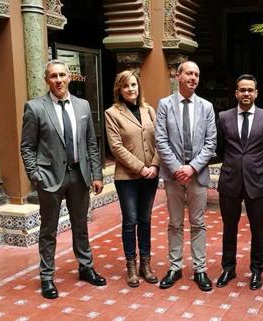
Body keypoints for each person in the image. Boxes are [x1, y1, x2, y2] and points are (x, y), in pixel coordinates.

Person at [20, 59, 105, 300]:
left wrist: (96, 174)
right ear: (46, 81)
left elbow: (91, 143)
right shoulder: (35, 108)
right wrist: (35, 176)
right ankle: (47, 277)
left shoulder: (83, 106)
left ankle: (85, 267)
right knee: (48, 230)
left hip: (79, 176)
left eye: (62, 75)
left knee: (81, 225)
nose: (58, 80)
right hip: (49, 179)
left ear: (70, 78)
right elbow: (27, 146)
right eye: (53, 76)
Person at [154, 61, 217, 292]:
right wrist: (177, 168)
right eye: (189, 73)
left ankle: (200, 269)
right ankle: (175, 267)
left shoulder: (206, 107)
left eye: (197, 74)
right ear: (178, 76)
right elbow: (160, 140)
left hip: (197, 175)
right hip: (173, 177)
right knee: (175, 223)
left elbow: (211, 143)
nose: (193, 78)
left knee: (199, 223)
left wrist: (191, 168)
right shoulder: (164, 105)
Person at [215, 74, 263, 290]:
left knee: (258, 228)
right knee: (229, 227)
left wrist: (255, 166)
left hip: (257, 181)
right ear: (236, 93)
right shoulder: (223, 117)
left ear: (256, 93)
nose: (246, 94)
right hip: (230, 180)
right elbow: (220, 148)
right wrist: (236, 165)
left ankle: (257, 270)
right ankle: (228, 268)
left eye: (250, 90)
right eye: (242, 90)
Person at [104, 70, 160, 288]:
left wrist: (154, 165)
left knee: (145, 220)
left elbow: (160, 139)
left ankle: (146, 264)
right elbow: (116, 147)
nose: (131, 89)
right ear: (119, 89)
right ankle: (131, 265)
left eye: (134, 85)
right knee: (131, 220)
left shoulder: (149, 110)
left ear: (139, 87)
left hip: (151, 175)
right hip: (127, 177)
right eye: (126, 86)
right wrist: (141, 168)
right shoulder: (112, 113)